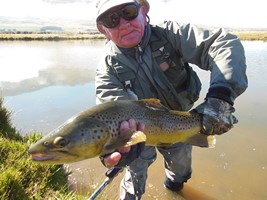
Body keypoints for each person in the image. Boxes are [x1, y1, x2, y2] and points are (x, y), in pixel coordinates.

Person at [94, 0, 248, 199]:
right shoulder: (107, 69)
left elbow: (223, 43)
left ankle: (174, 188)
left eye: (129, 12)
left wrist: (221, 96)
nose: (123, 23)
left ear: (142, 11)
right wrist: (111, 147)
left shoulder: (170, 34)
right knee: (134, 172)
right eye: (112, 19)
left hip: (181, 123)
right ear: (103, 29)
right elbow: (110, 112)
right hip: (138, 135)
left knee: (180, 171)